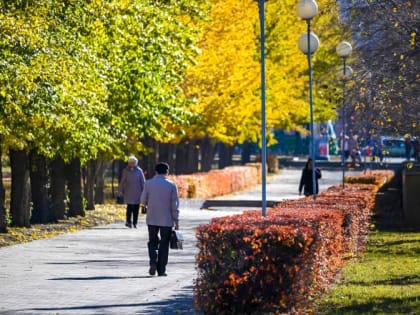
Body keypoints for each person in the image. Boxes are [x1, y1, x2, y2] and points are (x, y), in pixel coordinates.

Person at [141, 162, 179, 277]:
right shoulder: (171, 185)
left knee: (152, 241)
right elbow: (174, 205)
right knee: (164, 243)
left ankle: (153, 261)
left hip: (152, 218)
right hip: (166, 220)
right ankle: (161, 270)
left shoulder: (148, 183)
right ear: (167, 172)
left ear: (155, 171)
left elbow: (142, 200)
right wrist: (176, 221)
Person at [118, 156, 145, 228]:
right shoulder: (125, 171)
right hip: (128, 192)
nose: (132, 164)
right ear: (129, 163)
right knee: (129, 208)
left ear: (136, 163)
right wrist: (120, 190)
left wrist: (144, 191)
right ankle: (128, 221)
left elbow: (143, 182)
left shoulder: (139, 171)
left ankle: (135, 223)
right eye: (131, 163)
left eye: (134, 163)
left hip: (137, 192)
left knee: (136, 208)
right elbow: (122, 181)